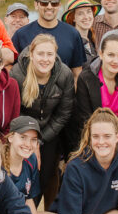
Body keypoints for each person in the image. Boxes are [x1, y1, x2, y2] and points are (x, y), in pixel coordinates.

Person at [10, 34, 75, 204]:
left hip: (49, 131)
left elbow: (64, 113)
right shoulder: (17, 74)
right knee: (20, 172)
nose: (45, 59)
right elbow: (14, 110)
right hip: (22, 130)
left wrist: (39, 139)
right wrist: (30, 138)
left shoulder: (64, 74)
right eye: (40, 54)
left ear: (55, 55)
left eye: (49, 54)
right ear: (31, 54)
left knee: (44, 174)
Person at [12, 0, 87, 76]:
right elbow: (11, 69)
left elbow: (77, 73)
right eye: (44, 3)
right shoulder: (21, 34)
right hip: (29, 89)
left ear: (59, 6)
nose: (49, 6)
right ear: (36, 5)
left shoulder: (73, 33)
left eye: (54, 3)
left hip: (64, 89)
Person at [3, 117, 48, 214]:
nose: (28, 144)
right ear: (10, 137)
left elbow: (28, 198)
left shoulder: (31, 159)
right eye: (23, 137)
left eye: (33, 140)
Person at [63, 0, 101, 66]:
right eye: (80, 13)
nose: (86, 17)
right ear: (73, 18)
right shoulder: (71, 43)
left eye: (88, 12)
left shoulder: (92, 38)